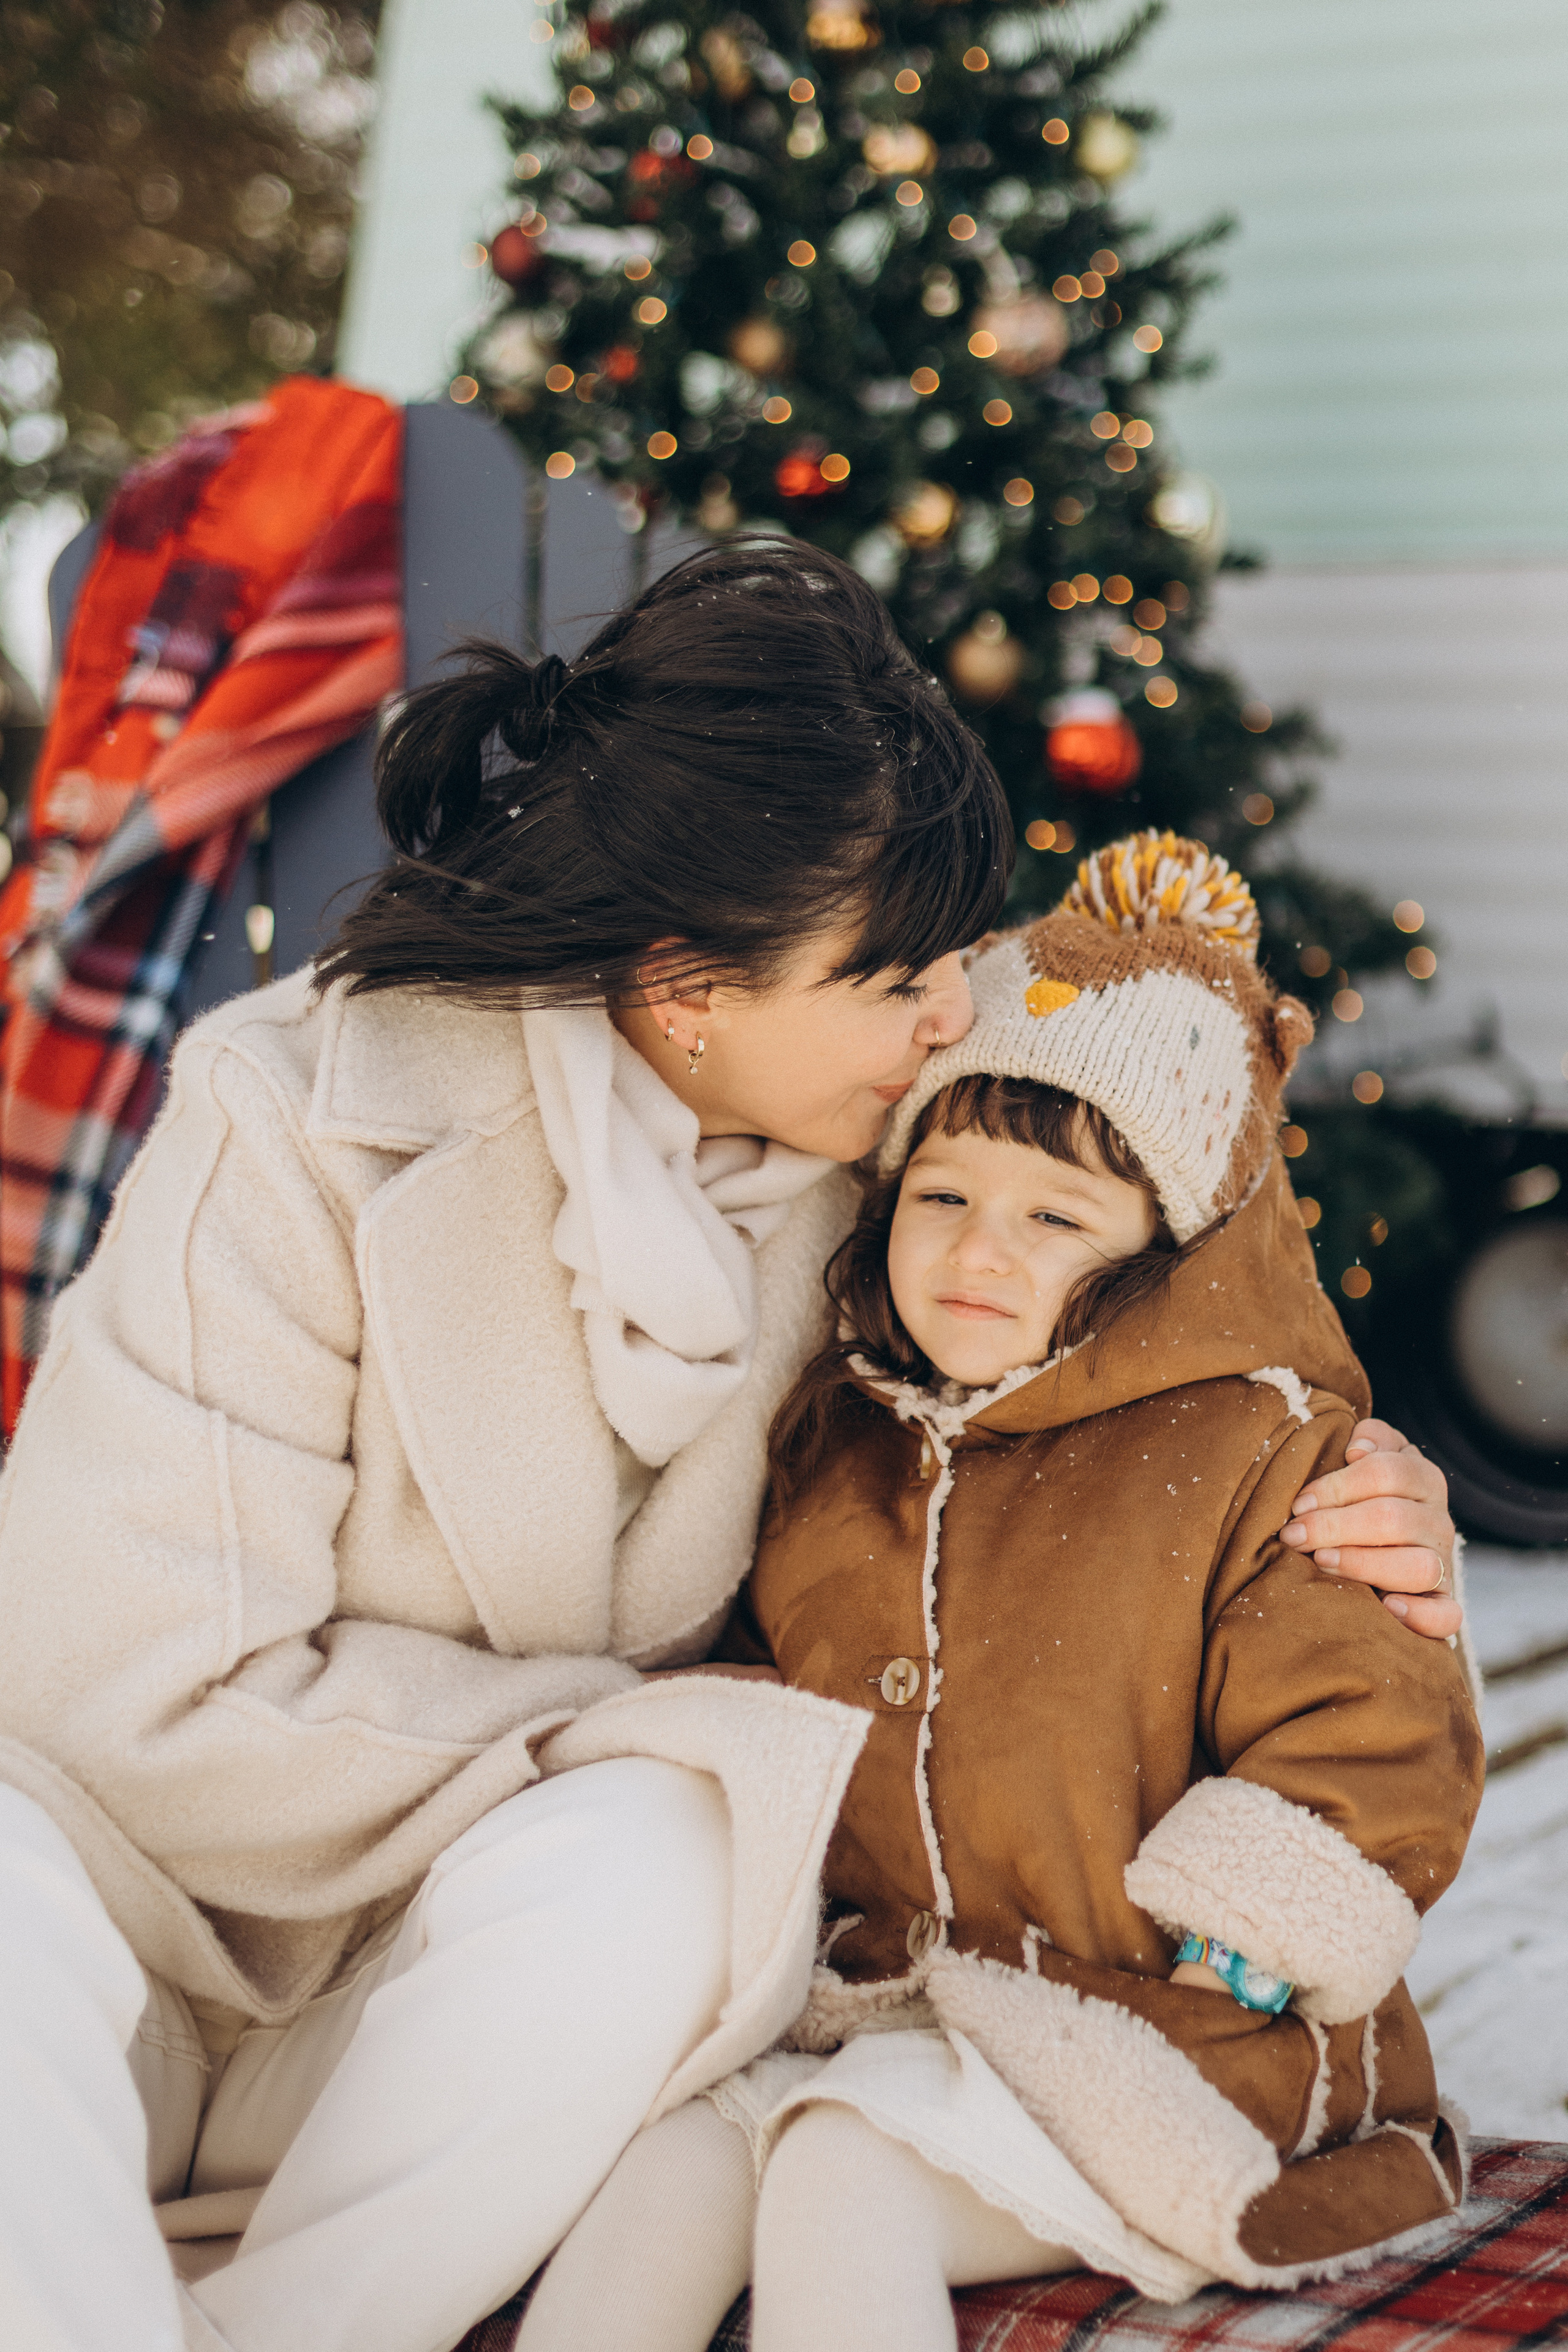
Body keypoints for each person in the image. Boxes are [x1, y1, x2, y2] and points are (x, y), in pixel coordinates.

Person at [0, 548, 1461, 2352]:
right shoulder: (297, 1121)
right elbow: (133, 1697)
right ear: (687, 982)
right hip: (131, 1949)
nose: (952, 1015)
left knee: (678, 1835)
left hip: (452, 2009)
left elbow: (1138, 1329)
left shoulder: (872, 1179)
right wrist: (613, 1726)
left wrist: (1345, 1489)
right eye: (899, 977)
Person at [517, 834, 1482, 2352]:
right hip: (896, 2006)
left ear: (1165, 1252)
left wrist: (1238, 1952)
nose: (978, 1252)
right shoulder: (843, 1440)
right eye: (942, 1193)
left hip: (1184, 2038)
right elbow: (765, 1682)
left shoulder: (1261, 1454)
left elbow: (1374, 1722)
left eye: (1054, 1218)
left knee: (847, 2171)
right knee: (669, 2169)